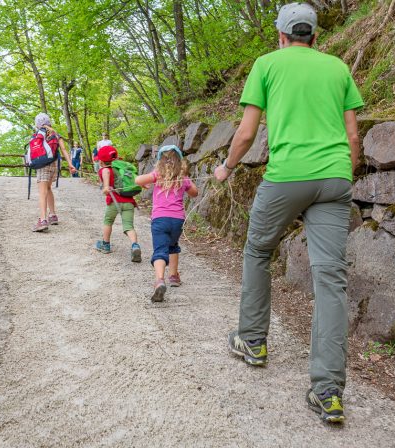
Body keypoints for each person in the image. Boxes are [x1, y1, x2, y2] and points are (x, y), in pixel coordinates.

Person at [213, 2, 364, 424]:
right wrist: (341, 176)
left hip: (286, 177)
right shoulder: (337, 68)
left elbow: (246, 132)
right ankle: (328, 390)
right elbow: (353, 135)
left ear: (281, 36)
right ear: (315, 37)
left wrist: (225, 168)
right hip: (335, 178)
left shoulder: (266, 64)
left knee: (258, 250)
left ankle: (253, 341)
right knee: (331, 277)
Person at [135, 145, 198, 302]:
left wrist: (144, 184)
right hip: (177, 220)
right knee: (173, 245)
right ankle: (174, 277)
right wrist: (185, 185)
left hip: (160, 219)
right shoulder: (183, 178)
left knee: (160, 250)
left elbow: (137, 180)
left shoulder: (157, 175)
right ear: (179, 162)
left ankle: (159, 280)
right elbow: (195, 193)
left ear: (160, 162)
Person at [95, 145, 142, 262]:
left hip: (114, 203)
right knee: (128, 226)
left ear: (100, 161)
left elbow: (106, 185)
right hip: (129, 202)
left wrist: (105, 187)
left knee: (108, 222)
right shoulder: (122, 168)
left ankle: (105, 245)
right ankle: (135, 245)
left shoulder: (104, 170)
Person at [31, 113, 77, 232]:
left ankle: (42, 220)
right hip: (54, 166)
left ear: (38, 124)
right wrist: (70, 164)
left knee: (42, 192)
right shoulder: (56, 134)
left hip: (42, 165)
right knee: (49, 188)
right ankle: (52, 215)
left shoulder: (39, 134)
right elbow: (63, 149)